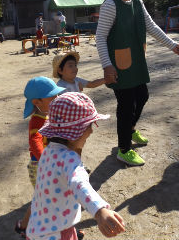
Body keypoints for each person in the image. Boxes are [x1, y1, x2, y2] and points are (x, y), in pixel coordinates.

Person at [95, 0, 179, 166]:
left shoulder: (137, 1)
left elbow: (151, 27)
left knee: (142, 96)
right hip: (118, 66)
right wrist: (107, 65)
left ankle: (130, 129)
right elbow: (100, 37)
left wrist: (173, 45)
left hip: (136, 61)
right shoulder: (110, 5)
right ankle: (124, 149)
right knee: (126, 106)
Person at [27, 92, 126, 240]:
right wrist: (99, 211)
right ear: (75, 132)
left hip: (37, 227)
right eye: (89, 126)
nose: (91, 131)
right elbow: (79, 184)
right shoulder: (69, 159)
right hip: (57, 233)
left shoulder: (48, 151)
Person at [15, 77, 66, 238]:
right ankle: (39, 229)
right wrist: (48, 160)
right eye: (53, 97)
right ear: (37, 102)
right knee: (46, 199)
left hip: (51, 164)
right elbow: (35, 142)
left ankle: (23, 225)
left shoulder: (49, 115)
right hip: (40, 166)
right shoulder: (37, 121)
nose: (57, 99)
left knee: (42, 198)